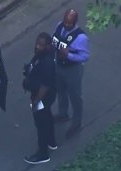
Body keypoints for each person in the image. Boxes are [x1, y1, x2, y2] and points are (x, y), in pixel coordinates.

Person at [52, 9, 90, 139]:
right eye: (66, 22)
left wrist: (69, 55)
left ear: (75, 22)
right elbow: (54, 40)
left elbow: (85, 56)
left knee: (75, 97)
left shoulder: (81, 37)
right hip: (59, 65)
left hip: (72, 69)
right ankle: (63, 113)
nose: (67, 25)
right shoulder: (59, 26)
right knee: (60, 90)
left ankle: (76, 123)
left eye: (70, 23)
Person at [23, 32, 57, 164]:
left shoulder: (48, 63)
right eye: (37, 44)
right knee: (47, 116)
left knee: (41, 123)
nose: (37, 47)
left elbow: (45, 86)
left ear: (48, 47)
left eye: (41, 45)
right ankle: (51, 141)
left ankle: (43, 154)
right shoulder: (42, 55)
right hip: (42, 96)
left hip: (41, 97)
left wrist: (36, 102)